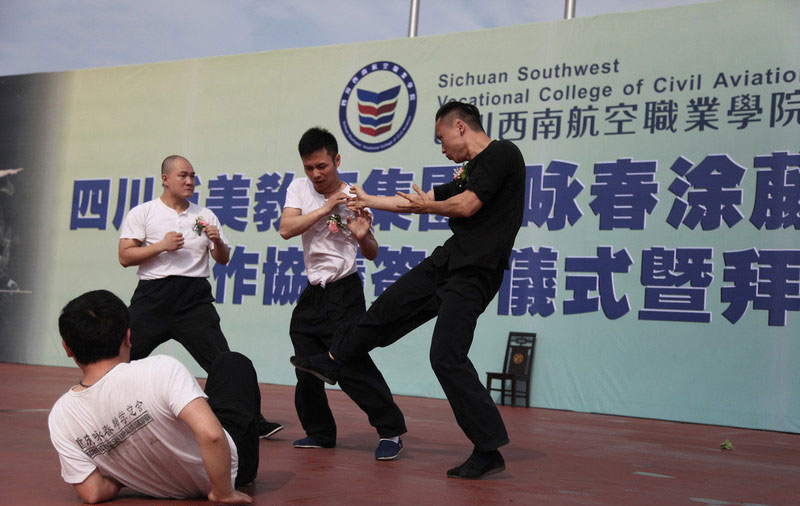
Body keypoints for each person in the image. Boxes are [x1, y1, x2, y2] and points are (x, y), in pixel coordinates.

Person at [291, 101, 525, 479]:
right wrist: (367, 201)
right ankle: (332, 360)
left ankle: (488, 449)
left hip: (476, 273)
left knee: (445, 356)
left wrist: (428, 206)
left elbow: (465, 207)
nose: (443, 148)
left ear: (461, 127)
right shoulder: (469, 170)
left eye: (441, 138)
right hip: (448, 261)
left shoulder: (503, 154)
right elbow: (416, 201)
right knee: (386, 309)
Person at [118, 155, 282, 439]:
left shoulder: (204, 215)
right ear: (165, 179)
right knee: (121, 358)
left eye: (193, 176)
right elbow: (125, 256)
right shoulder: (143, 213)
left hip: (193, 300)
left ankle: (252, 421)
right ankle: (100, 411)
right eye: (183, 176)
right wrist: (160, 247)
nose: (190, 181)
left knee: (224, 361)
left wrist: (217, 241)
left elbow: (223, 258)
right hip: (153, 297)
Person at [48, 289, 258, 504]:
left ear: (67, 348)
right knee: (232, 364)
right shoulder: (160, 369)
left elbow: (92, 492)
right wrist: (223, 493)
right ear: (129, 337)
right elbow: (211, 435)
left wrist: (130, 475)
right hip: (230, 473)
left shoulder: (61, 416)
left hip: (164, 489)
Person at [279, 127, 406, 460]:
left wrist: (363, 236)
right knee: (306, 364)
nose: (316, 174)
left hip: (344, 291)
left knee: (349, 362)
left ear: (336, 160)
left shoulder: (354, 196)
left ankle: (390, 430)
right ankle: (320, 432)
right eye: (309, 167)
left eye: (322, 166)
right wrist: (324, 208)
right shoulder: (299, 188)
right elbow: (286, 229)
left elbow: (372, 252)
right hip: (313, 292)